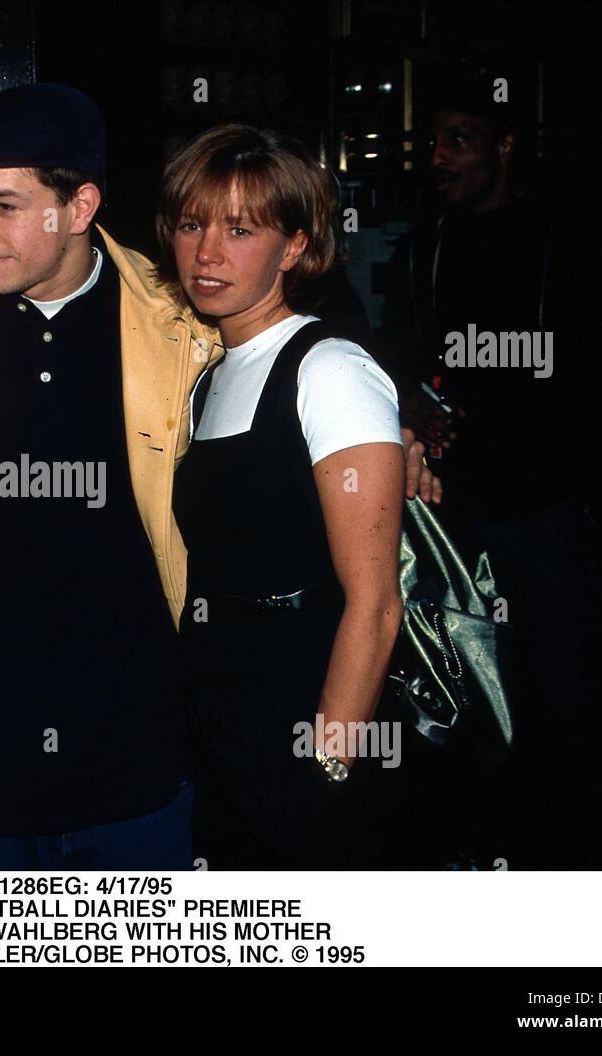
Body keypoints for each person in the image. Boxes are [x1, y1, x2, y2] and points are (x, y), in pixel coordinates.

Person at [0, 84, 437, 869]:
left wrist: (390, 440)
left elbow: (309, 390)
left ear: (79, 206)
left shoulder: (181, 323)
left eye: (5, 206)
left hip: (147, 764)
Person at [380, 66, 602, 868]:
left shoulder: (570, 236)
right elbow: (401, 352)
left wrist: (563, 429)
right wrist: (413, 401)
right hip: (450, 522)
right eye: (431, 141)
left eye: (459, 140)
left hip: (546, 517)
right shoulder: (424, 245)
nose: (438, 157)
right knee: (466, 709)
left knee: (566, 710)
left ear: (505, 145)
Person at [154, 124, 409, 869]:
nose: (207, 253)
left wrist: (329, 766)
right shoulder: (208, 377)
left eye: (240, 229)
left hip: (308, 705)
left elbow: (376, 603)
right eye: (193, 224)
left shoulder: (329, 367)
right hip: (220, 715)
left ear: (294, 246)